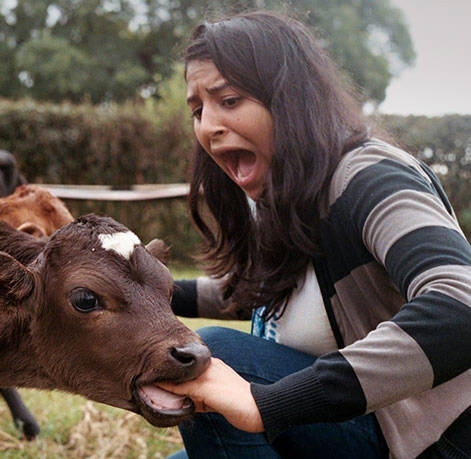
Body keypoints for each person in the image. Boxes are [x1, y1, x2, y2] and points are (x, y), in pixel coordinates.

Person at [160, 11, 470, 459]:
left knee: (214, 354)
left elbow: (460, 303)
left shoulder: (371, 177)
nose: (208, 127)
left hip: (430, 443)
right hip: (356, 427)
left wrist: (271, 404)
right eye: (198, 110)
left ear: (289, 99)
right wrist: (146, 291)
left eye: (228, 100)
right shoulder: (289, 192)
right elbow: (265, 292)